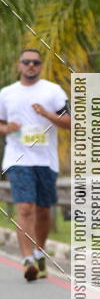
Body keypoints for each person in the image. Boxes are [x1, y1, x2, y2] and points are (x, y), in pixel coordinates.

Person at [0, 48, 71, 281]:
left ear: (40, 66)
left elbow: (72, 122)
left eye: (36, 62)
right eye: (26, 62)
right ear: (19, 65)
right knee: (25, 208)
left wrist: (47, 115)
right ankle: (27, 260)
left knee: (42, 211)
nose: (31, 66)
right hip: (17, 159)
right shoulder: (6, 94)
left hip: (46, 161)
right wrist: (7, 128)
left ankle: (39, 251)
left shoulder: (53, 91)